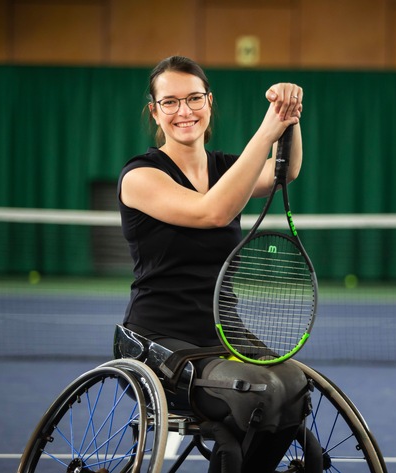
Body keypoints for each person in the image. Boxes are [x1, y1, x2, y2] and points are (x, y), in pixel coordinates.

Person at [116, 56, 313, 473]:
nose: (184, 111)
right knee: (256, 393)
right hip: (161, 341)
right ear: (154, 111)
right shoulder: (140, 176)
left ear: (209, 101)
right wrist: (267, 130)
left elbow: (286, 170)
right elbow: (213, 212)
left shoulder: (226, 168)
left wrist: (289, 117)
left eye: (193, 99)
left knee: (295, 388)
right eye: (170, 102)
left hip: (224, 330)